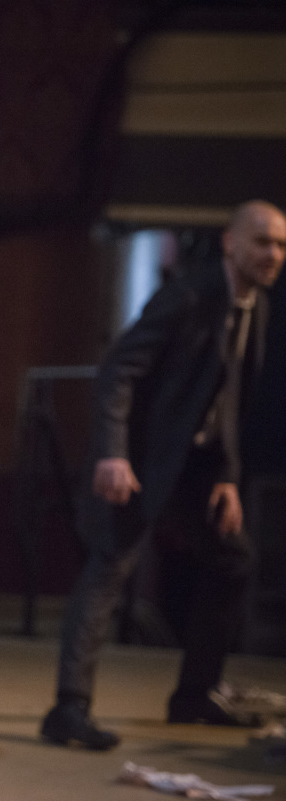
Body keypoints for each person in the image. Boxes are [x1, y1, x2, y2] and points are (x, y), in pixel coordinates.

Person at [40, 200, 286, 750]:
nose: (273, 254)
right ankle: (68, 709)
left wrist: (227, 477)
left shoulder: (258, 306)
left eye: (281, 245)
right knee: (109, 568)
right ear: (230, 243)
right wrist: (113, 454)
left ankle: (195, 696)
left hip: (196, 466)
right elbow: (118, 370)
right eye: (262, 242)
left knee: (233, 560)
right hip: (142, 457)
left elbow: (231, 398)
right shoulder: (189, 296)